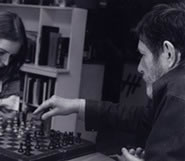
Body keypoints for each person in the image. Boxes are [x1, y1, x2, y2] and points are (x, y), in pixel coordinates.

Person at [34, 3, 185, 161]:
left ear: (169, 54)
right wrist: (77, 105)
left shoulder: (178, 96)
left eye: (143, 54)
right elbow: (141, 118)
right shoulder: (176, 89)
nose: (140, 67)